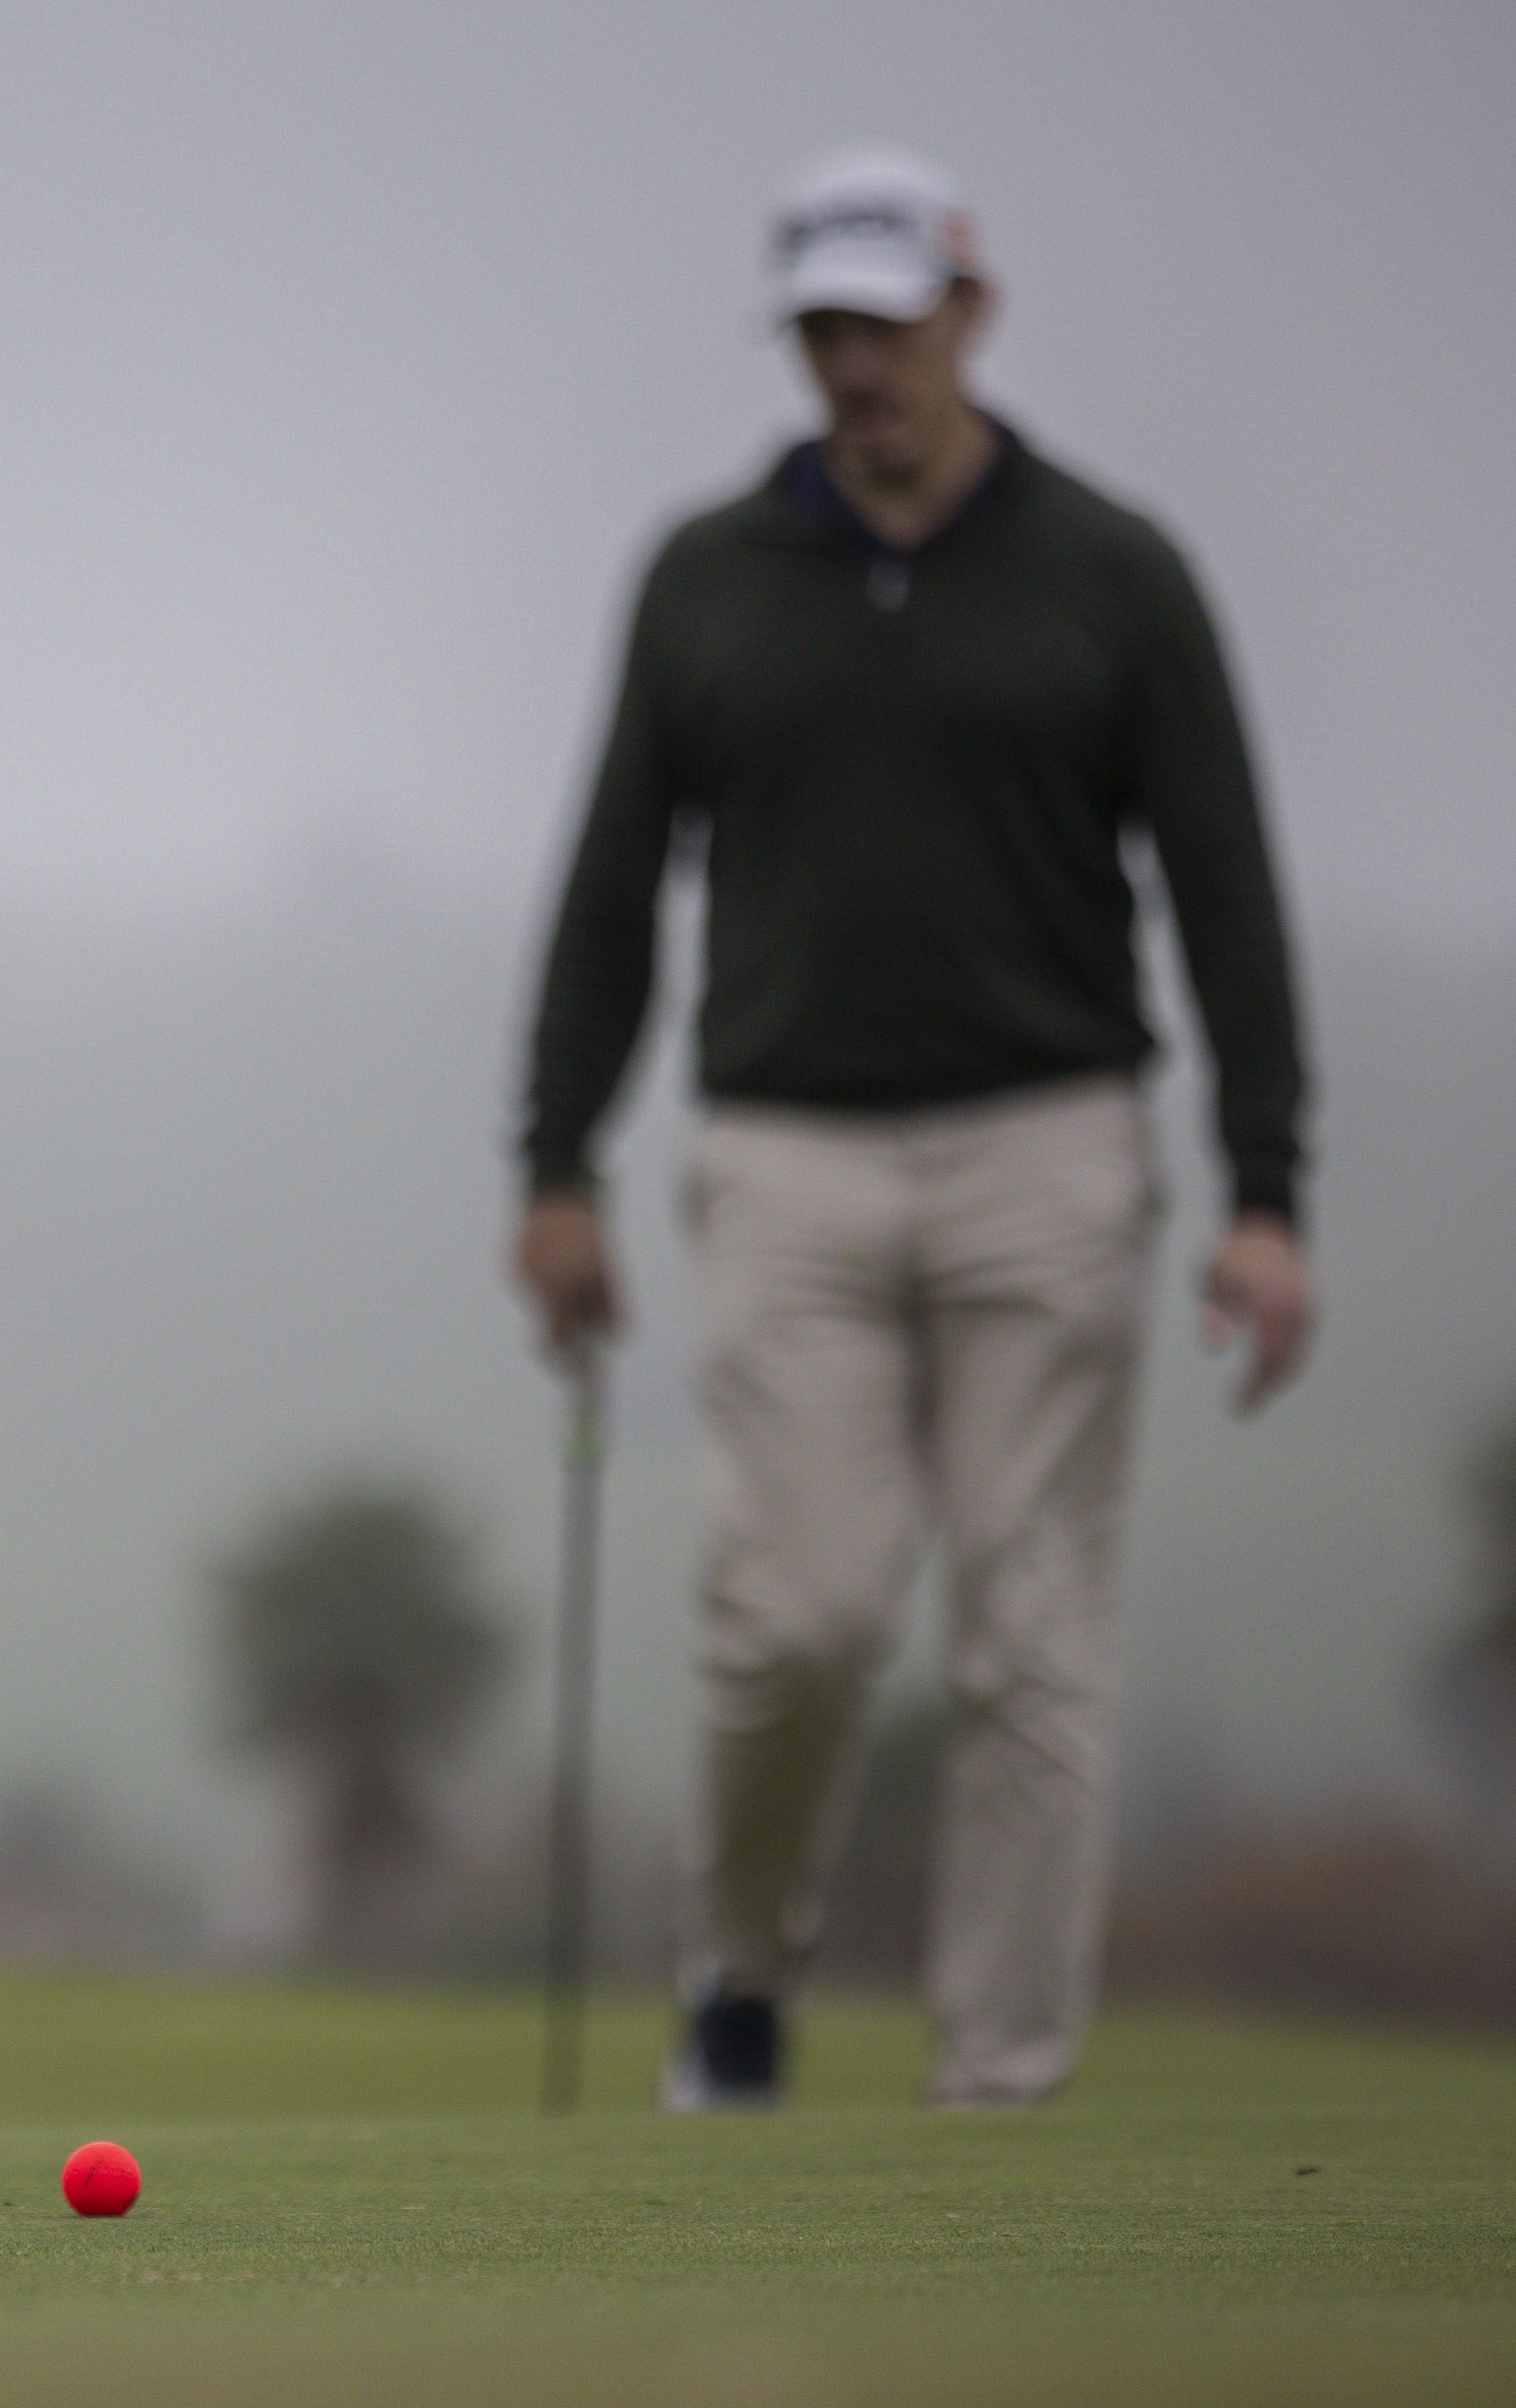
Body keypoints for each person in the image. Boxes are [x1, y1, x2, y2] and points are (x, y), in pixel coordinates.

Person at [512, 147, 1315, 2110]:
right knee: (798, 1616)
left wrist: (1269, 1190)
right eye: (823, 333)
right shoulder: (706, 576)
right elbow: (616, 884)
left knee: (1029, 1641)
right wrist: (555, 1160)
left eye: (886, 326)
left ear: (972, 314)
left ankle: (1000, 2082)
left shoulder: (1113, 574)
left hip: (1053, 1144)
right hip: (785, 1149)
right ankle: (741, 1971)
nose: (855, 368)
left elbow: (1223, 887)